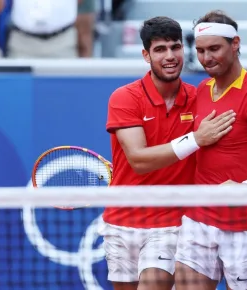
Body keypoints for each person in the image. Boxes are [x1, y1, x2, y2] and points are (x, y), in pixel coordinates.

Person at [100, 16, 236, 290]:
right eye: (160, 49)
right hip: (121, 222)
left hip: (170, 224)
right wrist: (196, 139)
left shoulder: (200, 97)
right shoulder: (124, 98)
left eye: (175, 47)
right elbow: (138, 160)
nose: (170, 56)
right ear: (146, 55)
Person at [174, 10, 247, 290]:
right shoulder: (201, 89)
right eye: (200, 50)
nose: (206, 58)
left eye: (215, 48)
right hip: (198, 220)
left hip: (245, 226)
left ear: (235, 44)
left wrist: (246, 189)